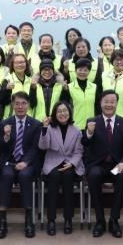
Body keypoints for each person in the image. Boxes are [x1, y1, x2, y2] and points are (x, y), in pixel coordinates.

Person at [82, 90, 123, 238]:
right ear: (100, 103)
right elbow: (85, 143)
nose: (109, 105)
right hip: (98, 165)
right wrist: (89, 133)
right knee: (93, 175)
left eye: (112, 102)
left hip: (117, 166)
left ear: (117, 104)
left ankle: (114, 220)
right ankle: (100, 220)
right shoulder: (92, 121)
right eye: (106, 101)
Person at [0, 92, 42, 239]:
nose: (20, 107)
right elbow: (1, 149)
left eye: (23, 103)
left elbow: (35, 148)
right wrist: (6, 137)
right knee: (6, 175)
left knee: (25, 175)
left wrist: (25, 162)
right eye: (17, 103)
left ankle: (29, 220)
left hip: (27, 163)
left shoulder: (36, 124)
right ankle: (2, 220)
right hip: (9, 161)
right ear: (12, 105)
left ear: (28, 105)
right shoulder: (5, 123)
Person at [39, 101, 84, 235]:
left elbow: (79, 151)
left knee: (68, 176)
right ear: (54, 114)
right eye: (59, 111)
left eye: (65, 111)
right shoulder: (49, 128)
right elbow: (43, 146)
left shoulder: (76, 130)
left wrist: (72, 163)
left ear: (69, 113)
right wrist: (44, 128)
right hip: (52, 162)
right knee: (54, 176)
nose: (62, 114)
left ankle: (68, 219)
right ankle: (51, 220)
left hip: (69, 162)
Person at [60, 58, 99, 126]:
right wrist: (65, 91)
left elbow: (98, 107)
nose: (82, 72)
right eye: (80, 70)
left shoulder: (94, 87)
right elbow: (64, 105)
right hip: (74, 126)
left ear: (89, 71)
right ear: (75, 70)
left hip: (91, 125)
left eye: (85, 70)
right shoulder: (69, 87)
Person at [102, 49, 123, 120]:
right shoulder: (104, 75)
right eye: (117, 60)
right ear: (112, 61)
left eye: (122, 60)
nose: (119, 62)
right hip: (106, 117)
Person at [0, 53, 32, 118]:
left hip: (29, 118)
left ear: (26, 64)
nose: (20, 65)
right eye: (16, 63)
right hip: (11, 119)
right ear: (12, 65)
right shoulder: (7, 80)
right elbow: (1, 101)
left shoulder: (31, 81)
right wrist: (6, 90)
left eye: (22, 62)